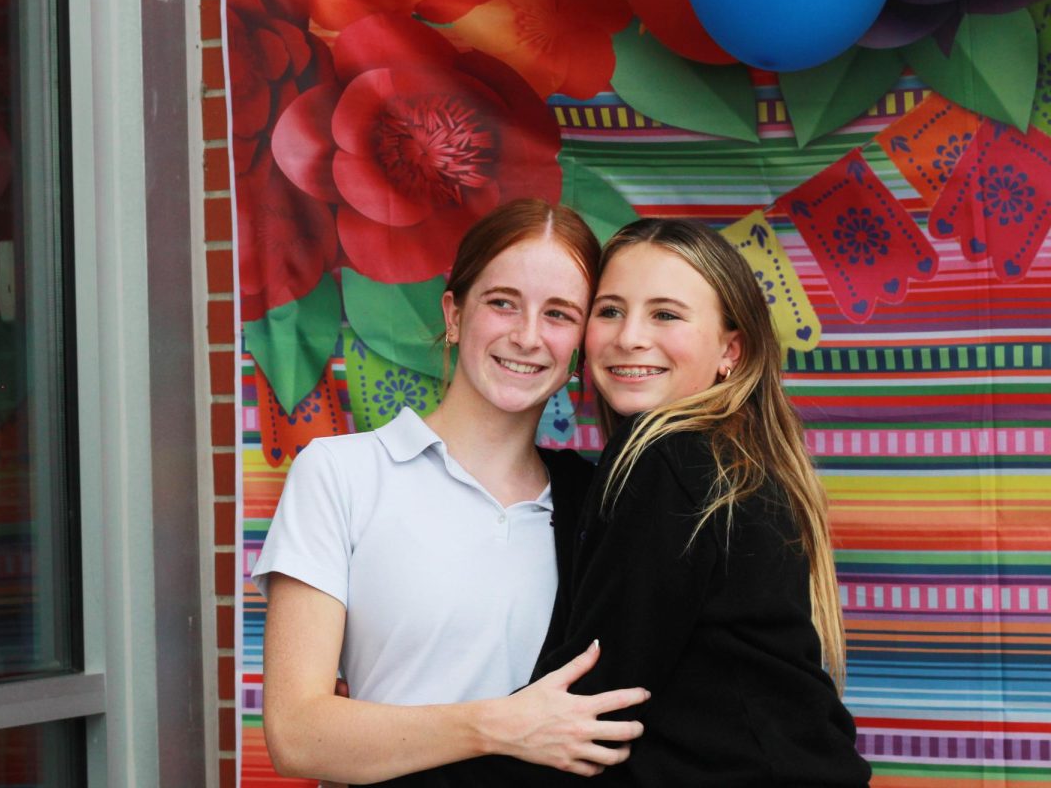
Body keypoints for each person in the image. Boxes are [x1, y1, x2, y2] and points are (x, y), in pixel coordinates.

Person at [377, 218, 871, 786]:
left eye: (665, 314)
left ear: (730, 349)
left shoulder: (670, 461)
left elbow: (587, 709)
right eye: (609, 311)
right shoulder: (732, 461)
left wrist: (386, 767)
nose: (629, 336)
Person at [251, 199, 650, 785]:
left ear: (581, 347)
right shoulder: (341, 474)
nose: (527, 336)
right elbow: (296, 735)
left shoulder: (599, 503)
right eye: (502, 303)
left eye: (560, 314)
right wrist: (497, 726)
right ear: (455, 313)